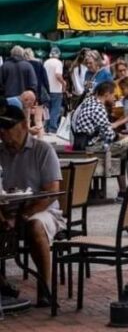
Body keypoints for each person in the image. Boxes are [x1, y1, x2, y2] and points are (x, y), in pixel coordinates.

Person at [0, 103, 65, 305]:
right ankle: (2, 284)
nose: (3, 133)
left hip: (41, 209)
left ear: (23, 126)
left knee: (35, 227)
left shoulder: (42, 150)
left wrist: (23, 216)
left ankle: (45, 288)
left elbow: (51, 192)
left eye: (7, 128)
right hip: (7, 209)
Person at [70, 81, 128, 198]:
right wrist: (124, 137)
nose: (114, 98)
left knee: (121, 151)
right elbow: (110, 136)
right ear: (107, 94)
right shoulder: (98, 108)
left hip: (82, 144)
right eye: (113, 95)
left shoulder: (87, 103)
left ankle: (124, 190)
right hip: (90, 148)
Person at [42, 48, 65, 133]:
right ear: (58, 54)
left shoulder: (46, 62)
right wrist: (63, 83)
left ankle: (46, 127)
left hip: (47, 90)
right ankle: (52, 128)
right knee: (55, 109)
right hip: (56, 90)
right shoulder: (58, 63)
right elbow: (58, 75)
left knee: (47, 109)